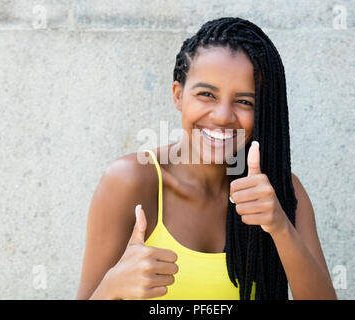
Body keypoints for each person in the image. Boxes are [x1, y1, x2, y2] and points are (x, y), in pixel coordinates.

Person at [75, 17, 337, 300]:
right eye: (207, 94)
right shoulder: (130, 180)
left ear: (262, 110)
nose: (223, 115)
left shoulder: (281, 191)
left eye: (244, 101)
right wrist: (113, 287)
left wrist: (279, 226)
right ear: (178, 95)